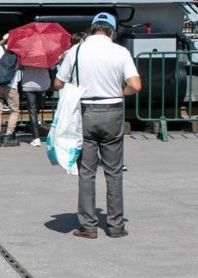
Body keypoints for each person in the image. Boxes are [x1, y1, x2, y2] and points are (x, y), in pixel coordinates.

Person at [53, 13, 141, 239]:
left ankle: (88, 226)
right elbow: (135, 85)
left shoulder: (77, 51)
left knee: (87, 172)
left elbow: (58, 84)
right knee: (113, 171)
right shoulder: (121, 52)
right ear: (112, 31)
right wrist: (119, 92)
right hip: (112, 112)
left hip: (86, 113)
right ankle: (116, 226)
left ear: (92, 29)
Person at [0, 34, 20, 147]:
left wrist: (2, 42)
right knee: (14, 110)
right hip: (11, 85)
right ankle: (8, 136)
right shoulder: (18, 52)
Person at [20, 60, 51, 147]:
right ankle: (39, 126)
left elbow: (20, 67)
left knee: (32, 111)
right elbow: (52, 67)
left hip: (28, 84)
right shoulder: (45, 53)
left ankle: (36, 138)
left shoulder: (26, 54)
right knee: (37, 109)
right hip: (43, 84)